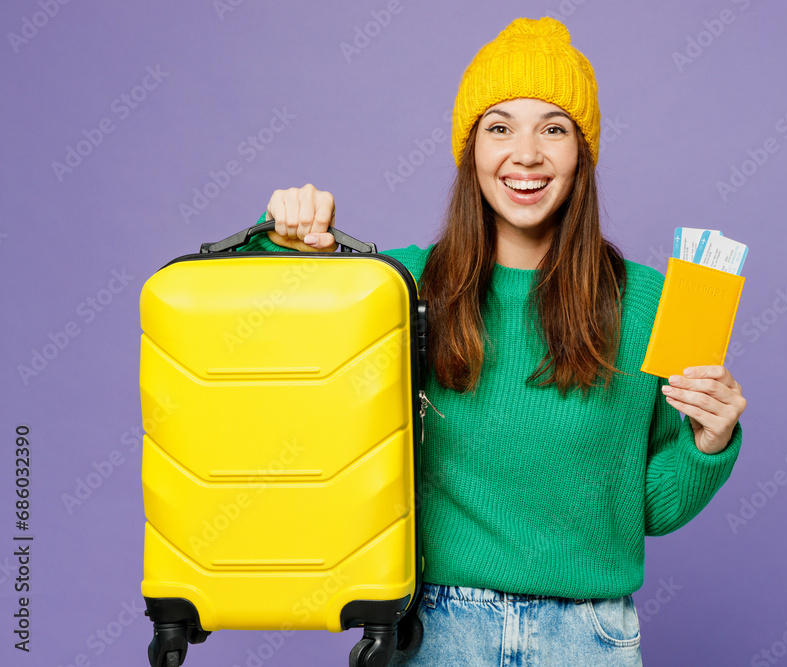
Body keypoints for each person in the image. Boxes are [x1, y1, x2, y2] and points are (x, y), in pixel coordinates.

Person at [237, 16, 746, 666]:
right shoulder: (403, 285)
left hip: (588, 640)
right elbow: (261, 325)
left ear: (582, 153)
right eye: (499, 127)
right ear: (470, 148)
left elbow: (646, 505)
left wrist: (709, 443)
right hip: (436, 630)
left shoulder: (651, 302)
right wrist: (277, 230)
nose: (526, 154)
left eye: (554, 128)